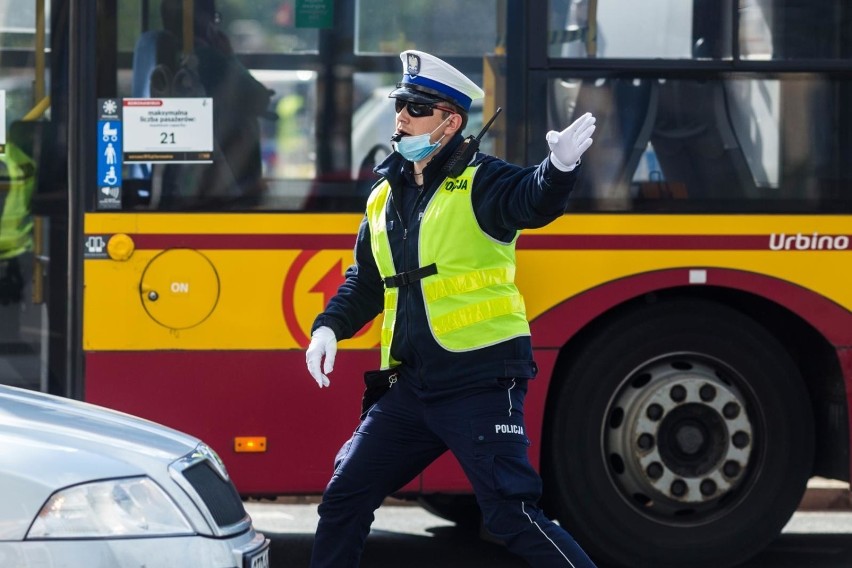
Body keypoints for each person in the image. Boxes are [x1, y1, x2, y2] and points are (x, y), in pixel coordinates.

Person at [305, 49, 597, 567]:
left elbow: (532, 200)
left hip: (479, 381)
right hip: (412, 386)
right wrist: (328, 326)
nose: (401, 118)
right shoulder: (383, 195)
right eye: (401, 104)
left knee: (510, 513)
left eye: (416, 107)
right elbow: (368, 282)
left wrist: (558, 169)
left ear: (450, 122)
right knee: (343, 498)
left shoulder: (483, 180)